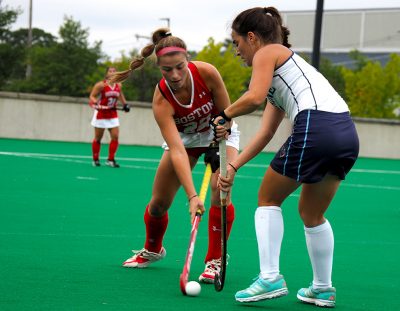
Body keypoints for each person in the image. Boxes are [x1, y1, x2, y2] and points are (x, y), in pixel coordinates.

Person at [214, 7, 359, 308]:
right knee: (311, 213)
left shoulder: (270, 52)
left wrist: (225, 114)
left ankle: (270, 278)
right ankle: (322, 288)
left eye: (237, 43)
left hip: (316, 126)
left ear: (251, 38)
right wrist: (233, 166)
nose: (237, 51)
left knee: (267, 198)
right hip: (345, 133)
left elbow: (252, 98)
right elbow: (266, 133)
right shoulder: (283, 73)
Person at [110, 28, 240, 283]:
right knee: (158, 204)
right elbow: (178, 150)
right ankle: (154, 249)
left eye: (180, 67)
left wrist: (218, 141)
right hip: (186, 141)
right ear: (159, 67)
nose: (175, 75)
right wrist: (192, 196)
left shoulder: (207, 73)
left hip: (221, 132)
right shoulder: (161, 100)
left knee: (219, 189)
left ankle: (215, 259)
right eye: (167, 70)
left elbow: (227, 114)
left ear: (188, 60)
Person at [89, 66, 130, 168]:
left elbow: (120, 95)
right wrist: (95, 102)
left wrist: (125, 104)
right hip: (101, 114)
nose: (112, 73)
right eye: (110, 71)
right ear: (106, 74)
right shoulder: (101, 85)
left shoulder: (118, 85)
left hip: (112, 114)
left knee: (115, 137)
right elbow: (92, 96)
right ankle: (95, 159)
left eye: (114, 71)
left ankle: (110, 160)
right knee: (98, 138)